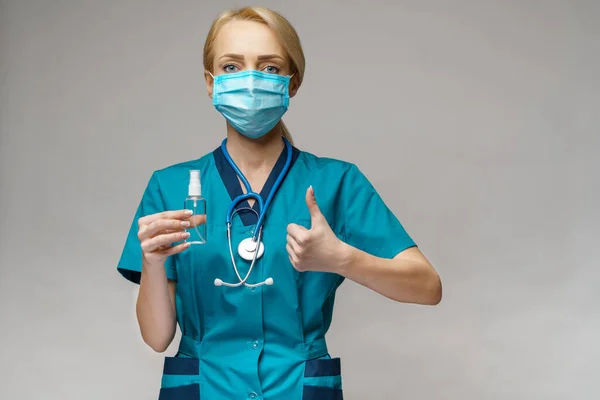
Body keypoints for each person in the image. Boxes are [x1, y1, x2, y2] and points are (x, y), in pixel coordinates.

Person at [116, 6, 442, 399]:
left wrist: (342, 259)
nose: (250, 80)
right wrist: (152, 263)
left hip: (297, 388)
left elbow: (427, 287)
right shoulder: (170, 188)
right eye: (232, 66)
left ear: (293, 82)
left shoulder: (335, 183)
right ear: (210, 82)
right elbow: (156, 337)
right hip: (204, 389)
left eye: (269, 68)